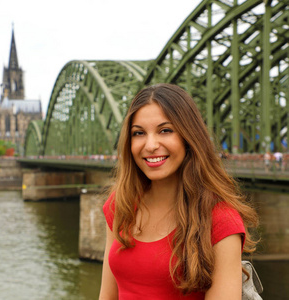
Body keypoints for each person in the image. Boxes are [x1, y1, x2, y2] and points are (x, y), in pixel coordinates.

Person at [99, 84, 259, 300]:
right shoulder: (121, 203)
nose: (150, 145)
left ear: (188, 137)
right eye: (139, 133)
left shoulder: (220, 221)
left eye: (165, 130)